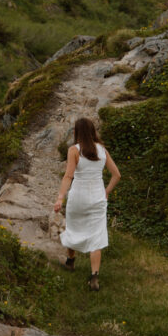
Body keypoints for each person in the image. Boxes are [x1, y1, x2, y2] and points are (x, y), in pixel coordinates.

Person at [53, 116, 120, 290]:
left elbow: (68, 176)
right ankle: (94, 276)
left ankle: (70, 261)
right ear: (92, 132)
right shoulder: (102, 150)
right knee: (96, 236)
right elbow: (117, 175)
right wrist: (106, 192)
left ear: (76, 132)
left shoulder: (74, 150)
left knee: (74, 228)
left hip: (78, 197)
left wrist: (60, 197)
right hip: (97, 197)